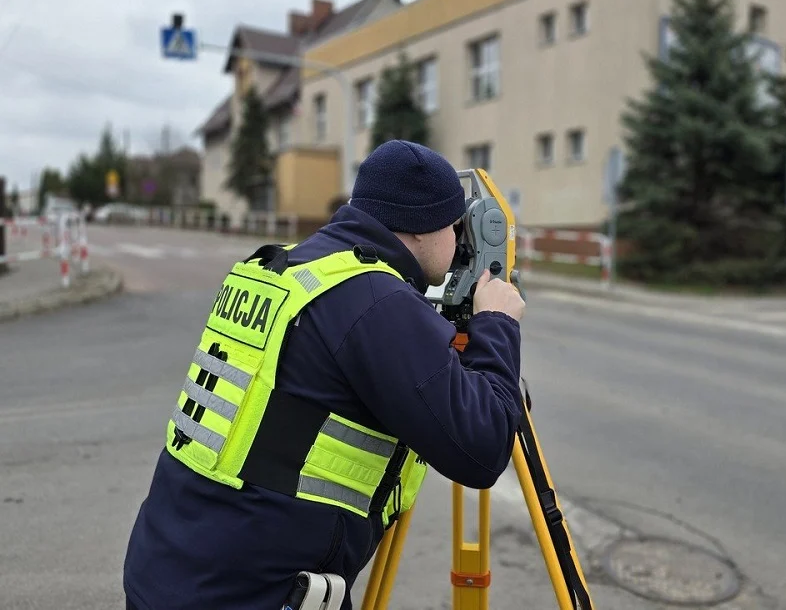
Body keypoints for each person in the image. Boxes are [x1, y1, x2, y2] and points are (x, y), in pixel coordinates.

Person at [122, 139, 526, 610]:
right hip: (251, 594)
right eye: (456, 227)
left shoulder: (284, 269)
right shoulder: (376, 302)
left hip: (172, 568)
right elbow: (481, 447)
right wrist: (496, 325)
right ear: (422, 228)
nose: (459, 241)